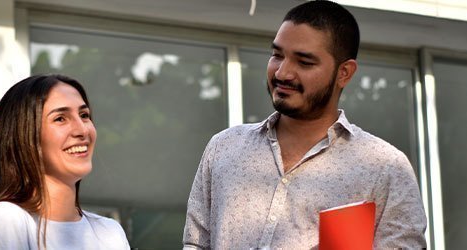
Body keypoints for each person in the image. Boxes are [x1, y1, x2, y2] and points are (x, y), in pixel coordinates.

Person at [183, 1, 427, 249]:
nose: (282, 73)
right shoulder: (224, 147)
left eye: (304, 62)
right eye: (277, 55)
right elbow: (195, 244)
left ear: (344, 73)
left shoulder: (385, 168)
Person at [0, 74, 130, 249]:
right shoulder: (6, 219)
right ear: (24, 136)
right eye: (60, 118)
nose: (82, 130)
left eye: (84, 115)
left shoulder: (110, 232)